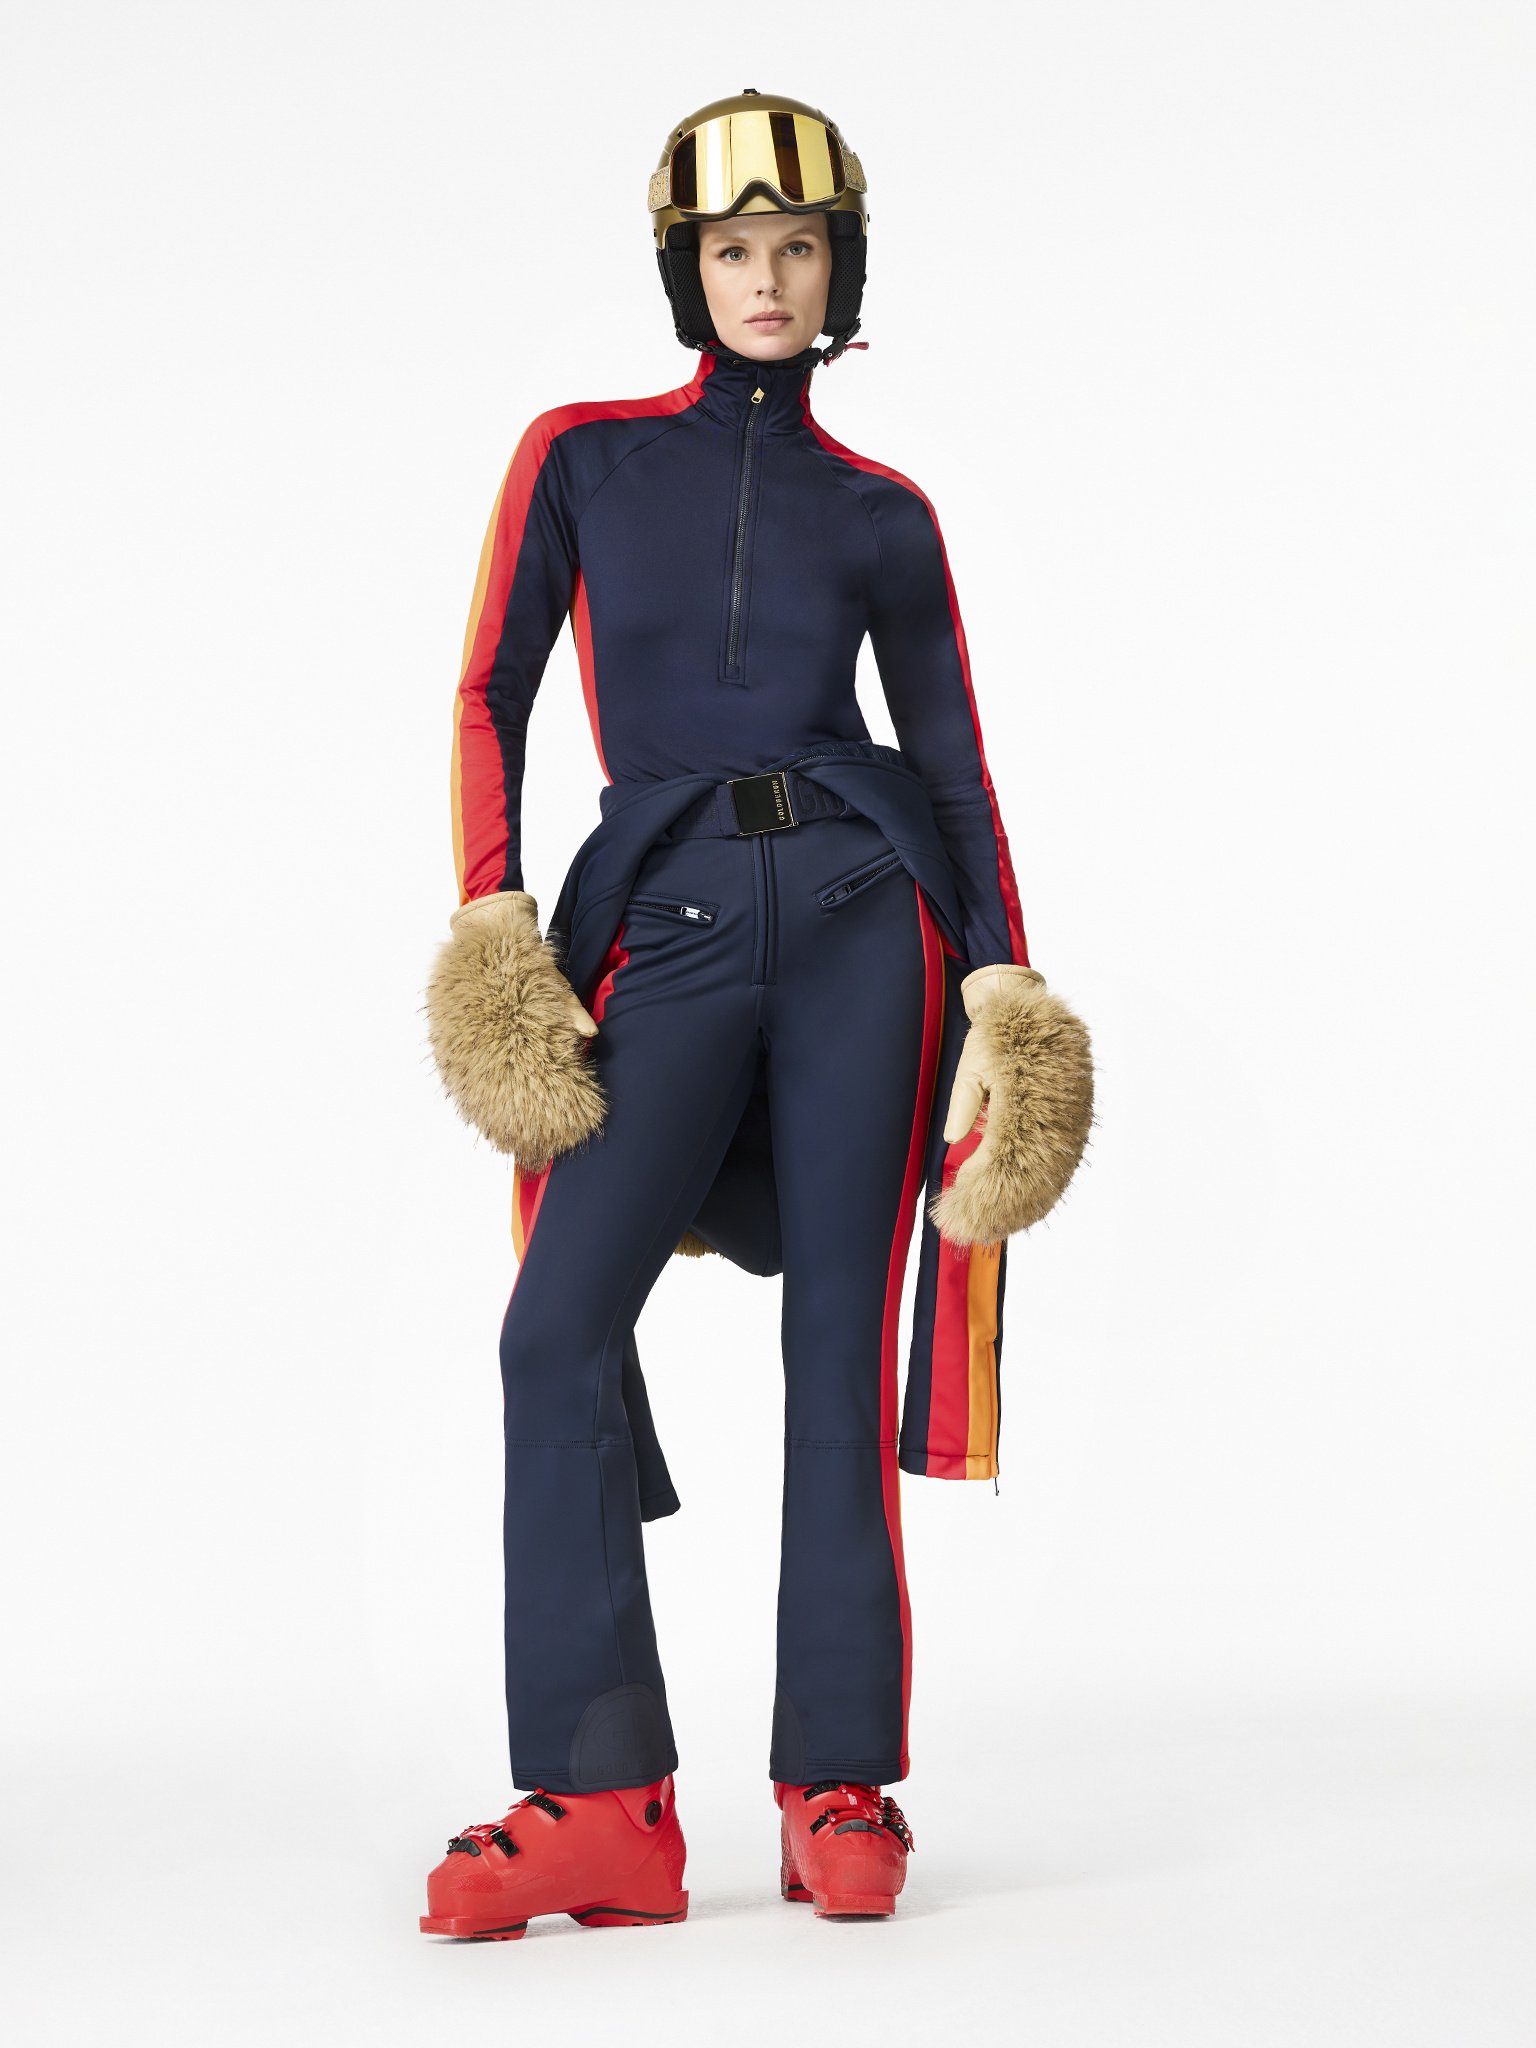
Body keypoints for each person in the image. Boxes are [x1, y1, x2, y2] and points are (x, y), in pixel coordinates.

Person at [419, 90, 1093, 1941]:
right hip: (673, 917)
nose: (769, 279)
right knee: (556, 1331)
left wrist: (1001, 977)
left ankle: (836, 1787)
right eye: (734, 249)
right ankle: (600, 1800)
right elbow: (486, 694)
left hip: (875, 926)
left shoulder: (883, 513)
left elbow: (952, 766)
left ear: (838, 270)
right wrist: (492, 911)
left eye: (798, 248)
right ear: (688, 271)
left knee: (834, 1361)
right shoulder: (579, 459)